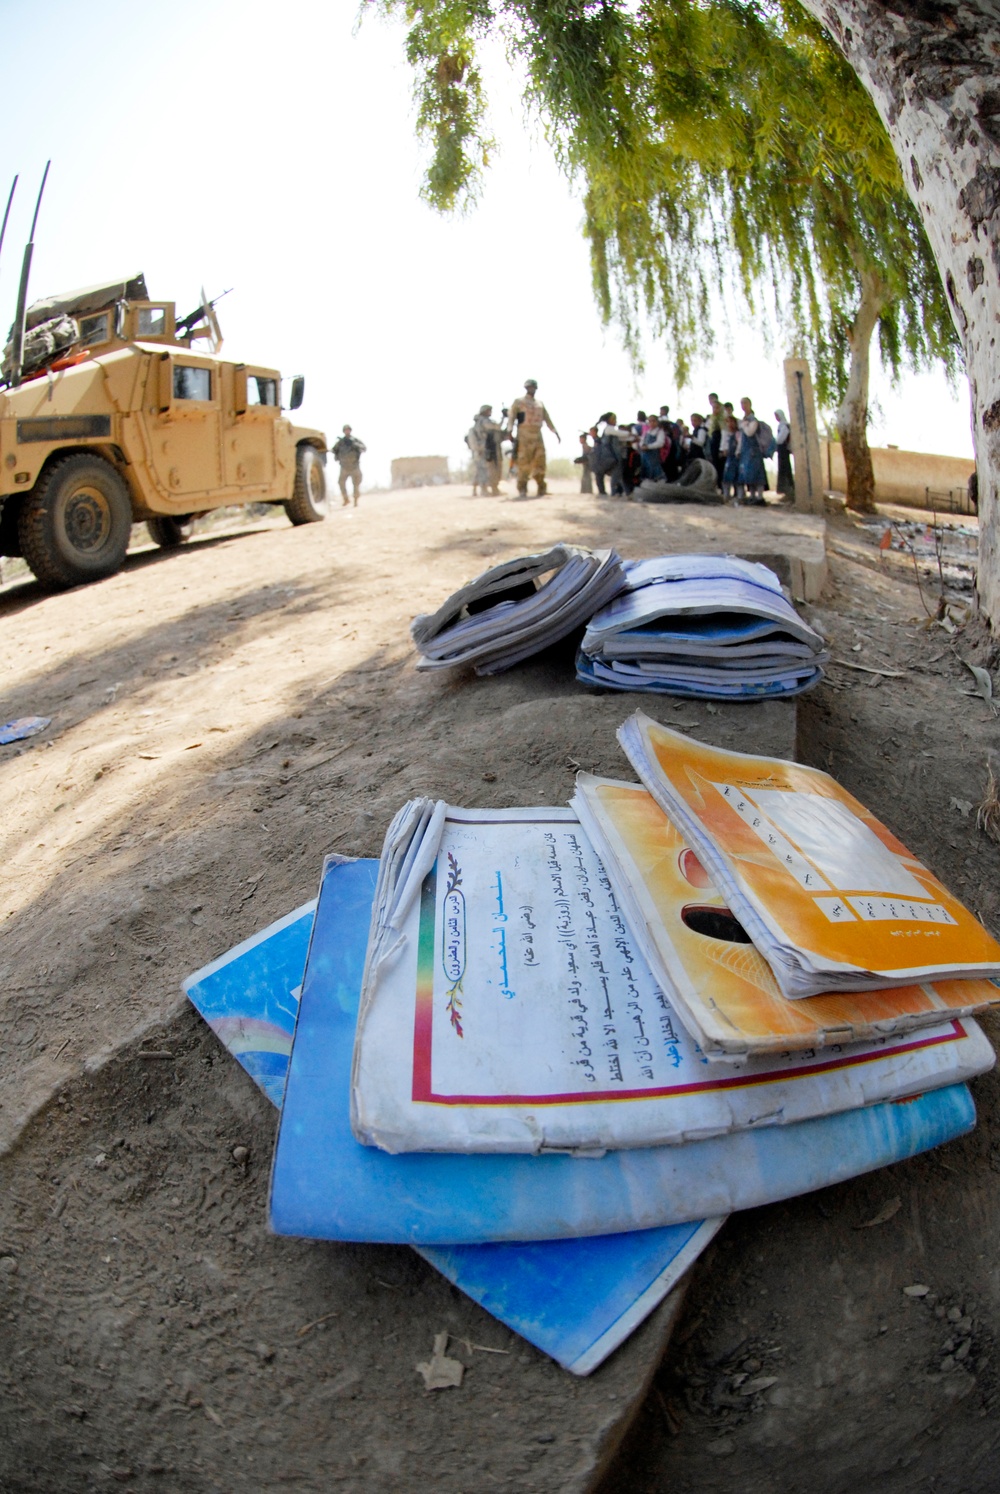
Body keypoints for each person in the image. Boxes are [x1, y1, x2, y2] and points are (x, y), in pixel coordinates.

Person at [505, 379, 560, 497]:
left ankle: (541, 488)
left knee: (540, 461)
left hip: (537, 435)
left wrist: (555, 431)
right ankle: (522, 489)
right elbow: (512, 417)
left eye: (533, 387)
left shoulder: (539, 403)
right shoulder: (519, 402)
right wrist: (509, 431)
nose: (532, 389)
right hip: (523, 435)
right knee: (523, 462)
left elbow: (547, 418)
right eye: (529, 387)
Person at [466, 404, 504, 496]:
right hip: (483, 450)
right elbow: (497, 426)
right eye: (488, 410)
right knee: (485, 470)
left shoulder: (480, 423)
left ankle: (493, 489)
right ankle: (484, 490)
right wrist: (503, 418)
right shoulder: (484, 422)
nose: (490, 412)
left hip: (486, 450)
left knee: (487, 470)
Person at [736, 397, 767, 505]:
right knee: (748, 475)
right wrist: (738, 450)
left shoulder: (753, 420)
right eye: (741, 403)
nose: (743, 405)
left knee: (757, 474)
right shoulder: (744, 420)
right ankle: (752, 496)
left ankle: (760, 497)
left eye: (745, 403)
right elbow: (741, 437)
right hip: (745, 450)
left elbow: (750, 432)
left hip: (754, 450)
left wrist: (744, 425)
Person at [333, 424, 366, 506]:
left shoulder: (355, 440)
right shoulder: (340, 442)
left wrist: (355, 445)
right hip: (344, 467)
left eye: (348, 430)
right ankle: (346, 499)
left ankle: (355, 500)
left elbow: (364, 448)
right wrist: (336, 456)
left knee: (356, 484)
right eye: (345, 430)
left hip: (354, 466)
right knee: (341, 483)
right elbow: (334, 450)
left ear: (350, 430)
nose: (347, 431)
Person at [639, 415, 666, 481]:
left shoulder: (660, 431)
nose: (652, 423)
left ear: (657, 422)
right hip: (644, 455)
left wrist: (648, 447)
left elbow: (660, 443)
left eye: (653, 421)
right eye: (650, 421)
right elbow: (642, 440)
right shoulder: (647, 431)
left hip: (653, 455)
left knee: (654, 470)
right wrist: (642, 445)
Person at [720, 414, 740, 501]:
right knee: (727, 476)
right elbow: (723, 443)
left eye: (731, 422)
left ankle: (738, 495)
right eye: (727, 422)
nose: (729, 424)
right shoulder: (725, 433)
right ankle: (726, 495)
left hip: (736, 457)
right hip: (729, 457)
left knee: (737, 477)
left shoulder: (738, 433)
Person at [774, 408, 794, 498]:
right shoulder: (781, 425)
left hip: (783, 449)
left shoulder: (784, 426)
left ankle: (788, 487)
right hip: (781, 450)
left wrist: (776, 442)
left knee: (785, 467)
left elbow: (781, 438)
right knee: (783, 467)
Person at [707, 393, 726, 482]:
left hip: (720, 442)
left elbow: (724, 432)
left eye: (717, 408)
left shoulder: (722, 419)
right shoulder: (712, 418)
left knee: (720, 465)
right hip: (713, 441)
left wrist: (722, 448)